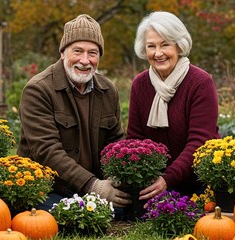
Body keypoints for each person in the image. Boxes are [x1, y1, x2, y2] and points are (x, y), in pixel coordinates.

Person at [17, 14, 132, 211]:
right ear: (63, 52)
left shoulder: (107, 90)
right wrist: (93, 186)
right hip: (50, 185)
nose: (85, 60)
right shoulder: (38, 89)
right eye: (77, 51)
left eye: (93, 53)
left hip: (95, 182)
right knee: (66, 215)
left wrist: (115, 177)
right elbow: (47, 151)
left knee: (132, 206)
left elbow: (115, 140)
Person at [127, 11, 221, 201]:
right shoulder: (140, 84)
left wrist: (167, 179)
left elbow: (199, 142)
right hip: (156, 182)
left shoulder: (200, 82)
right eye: (151, 46)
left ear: (179, 45)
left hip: (200, 180)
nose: (158, 53)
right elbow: (135, 138)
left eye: (165, 44)